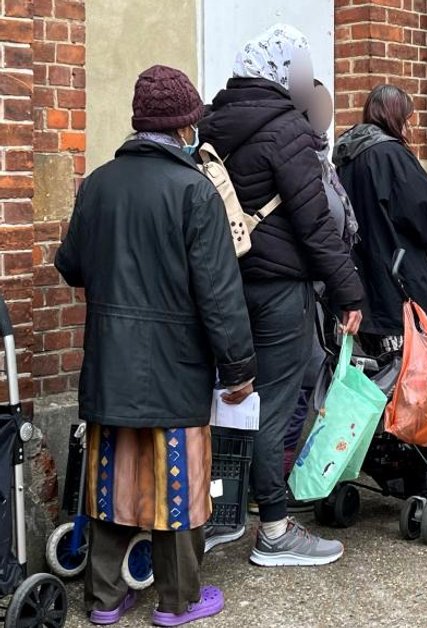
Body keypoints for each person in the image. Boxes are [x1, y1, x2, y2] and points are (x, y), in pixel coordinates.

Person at [55, 65, 255, 626]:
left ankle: (103, 601)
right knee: (179, 484)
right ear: (186, 128)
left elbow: (70, 265)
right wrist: (240, 368)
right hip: (177, 366)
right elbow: (219, 294)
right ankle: (178, 602)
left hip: (110, 365)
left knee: (111, 482)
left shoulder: (98, 184)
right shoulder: (195, 191)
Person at [199, 23, 364, 566]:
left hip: (223, 286)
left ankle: (216, 518)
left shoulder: (211, 122)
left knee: (227, 401)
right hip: (278, 291)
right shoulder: (288, 130)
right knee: (272, 405)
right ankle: (272, 528)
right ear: (282, 71)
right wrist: (349, 294)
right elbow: (315, 224)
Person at [333, 84, 427, 482]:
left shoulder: (345, 155)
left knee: (381, 370)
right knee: (418, 366)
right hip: (400, 275)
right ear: (395, 117)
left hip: (363, 280)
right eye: (408, 117)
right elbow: (426, 213)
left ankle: (384, 453)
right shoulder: (390, 154)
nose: (411, 125)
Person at [281, 78, 360, 482]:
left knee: (308, 379)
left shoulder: (323, 160)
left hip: (319, 291)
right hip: (297, 289)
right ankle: (273, 483)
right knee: (297, 383)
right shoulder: (301, 162)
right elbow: (320, 228)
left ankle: (283, 474)